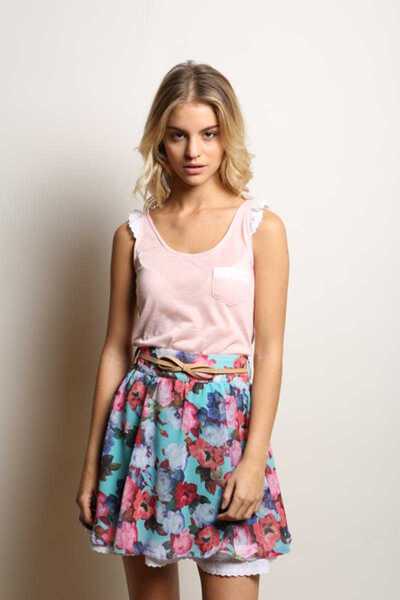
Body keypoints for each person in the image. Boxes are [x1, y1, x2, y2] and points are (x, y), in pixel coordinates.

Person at [76, 60, 293, 600]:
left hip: (228, 439)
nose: (193, 151)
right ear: (160, 140)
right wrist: (92, 466)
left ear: (227, 136)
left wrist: (253, 460)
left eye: (208, 134)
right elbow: (114, 351)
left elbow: (269, 351)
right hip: (143, 433)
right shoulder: (133, 235)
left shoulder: (260, 228)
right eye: (178, 135)